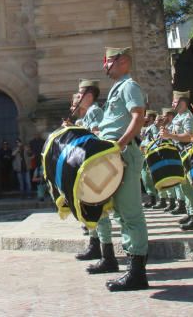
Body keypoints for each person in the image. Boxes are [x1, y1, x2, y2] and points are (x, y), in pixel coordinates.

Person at [91, 47, 149, 292]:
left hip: (124, 155)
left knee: (131, 214)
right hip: (115, 156)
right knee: (122, 215)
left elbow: (138, 117)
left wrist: (121, 143)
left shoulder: (129, 86)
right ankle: (132, 269)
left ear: (123, 61)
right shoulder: (118, 88)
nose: (105, 67)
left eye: (109, 62)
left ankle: (137, 274)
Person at [68, 79, 107, 263]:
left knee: (98, 208)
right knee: (88, 205)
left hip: (95, 165)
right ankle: (94, 243)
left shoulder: (95, 111)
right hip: (87, 165)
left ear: (89, 96)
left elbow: (97, 135)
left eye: (80, 93)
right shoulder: (87, 114)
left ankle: (103, 250)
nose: (78, 97)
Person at [162, 92, 193, 231]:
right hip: (178, 154)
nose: (172, 104)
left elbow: (190, 137)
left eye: (175, 101)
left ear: (183, 103)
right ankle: (191, 213)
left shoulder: (187, 117)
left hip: (186, 154)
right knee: (184, 187)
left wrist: (170, 135)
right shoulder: (178, 117)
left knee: (189, 187)